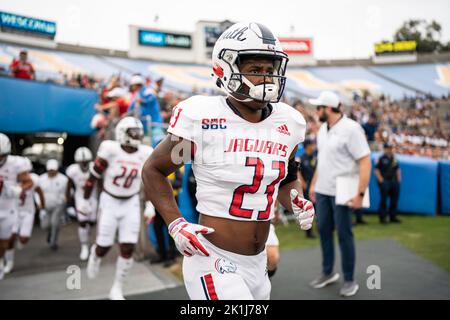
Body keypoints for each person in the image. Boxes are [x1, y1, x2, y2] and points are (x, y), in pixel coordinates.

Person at [142, 22, 315, 300]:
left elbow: (288, 178)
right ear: (226, 68)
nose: (267, 78)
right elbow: (154, 170)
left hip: (258, 265)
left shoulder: (288, 123)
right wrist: (176, 224)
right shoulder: (204, 120)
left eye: (270, 71)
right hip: (212, 257)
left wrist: (296, 199)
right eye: (256, 70)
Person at [82, 117, 153, 300]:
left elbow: (151, 181)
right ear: (122, 133)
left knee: (128, 246)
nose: (137, 135)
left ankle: (117, 288)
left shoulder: (145, 152)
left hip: (131, 201)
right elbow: (93, 176)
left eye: (138, 132)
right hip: (110, 201)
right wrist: (85, 200)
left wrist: (151, 204)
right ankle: (95, 255)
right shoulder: (110, 149)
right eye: (133, 132)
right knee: (104, 246)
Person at [308, 91, 371, 297]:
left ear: (327, 108)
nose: (316, 112)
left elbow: (365, 161)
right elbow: (323, 161)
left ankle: (350, 279)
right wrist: (313, 185)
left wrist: (360, 194)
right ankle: (328, 272)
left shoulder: (352, 129)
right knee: (324, 231)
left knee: (344, 235)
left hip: (344, 188)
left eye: (318, 108)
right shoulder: (323, 130)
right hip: (323, 190)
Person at [0, 133, 33, 280]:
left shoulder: (16, 164)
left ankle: (4, 260)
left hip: (8, 208)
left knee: (6, 241)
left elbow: (28, 182)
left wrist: (16, 189)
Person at [4, 171, 44, 274]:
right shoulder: (8, 182)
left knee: (24, 239)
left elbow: (39, 191)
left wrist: (42, 204)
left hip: (28, 212)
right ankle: (9, 262)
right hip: (14, 212)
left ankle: (20, 239)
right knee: (9, 239)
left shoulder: (33, 180)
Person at [66, 147, 98, 261]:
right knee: (83, 222)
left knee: (92, 222)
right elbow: (69, 185)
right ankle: (84, 246)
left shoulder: (94, 167)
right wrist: (68, 202)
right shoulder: (73, 170)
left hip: (93, 198)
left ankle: (90, 240)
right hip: (80, 198)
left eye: (86, 161)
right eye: (82, 162)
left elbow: (100, 184)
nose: (84, 163)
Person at [38, 159, 68, 251]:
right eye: (50, 170)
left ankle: (53, 243)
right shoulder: (41, 179)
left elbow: (67, 192)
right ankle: (50, 233)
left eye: (53, 170)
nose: (51, 171)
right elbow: (37, 193)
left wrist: (64, 201)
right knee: (45, 225)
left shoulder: (63, 179)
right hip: (45, 205)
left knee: (55, 223)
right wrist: (39, 204)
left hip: (58, 205)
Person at [374, 142, 402, 224]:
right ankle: (382, 217)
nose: (389, 150)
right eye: (388, 148)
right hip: (385, 181)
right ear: (385, 149)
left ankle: (393, 216)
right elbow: (376, 170)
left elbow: (397, 169)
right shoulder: (381, 158)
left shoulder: (394, 158)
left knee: (394, 200)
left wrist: (399, 179)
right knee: (384, 199)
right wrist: (381, 180)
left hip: (394, 181)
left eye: (391, 148)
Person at [298, 138, 317, 238]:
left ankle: (321, 228)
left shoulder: (314, 157)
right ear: (307, 146)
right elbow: (298, 171)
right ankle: (308, 232)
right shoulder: (302, 158)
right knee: (307, 210)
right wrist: (302, 182)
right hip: (306, 188)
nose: (313, 146)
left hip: (315, 187)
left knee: (318, 209)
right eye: (312, 145)